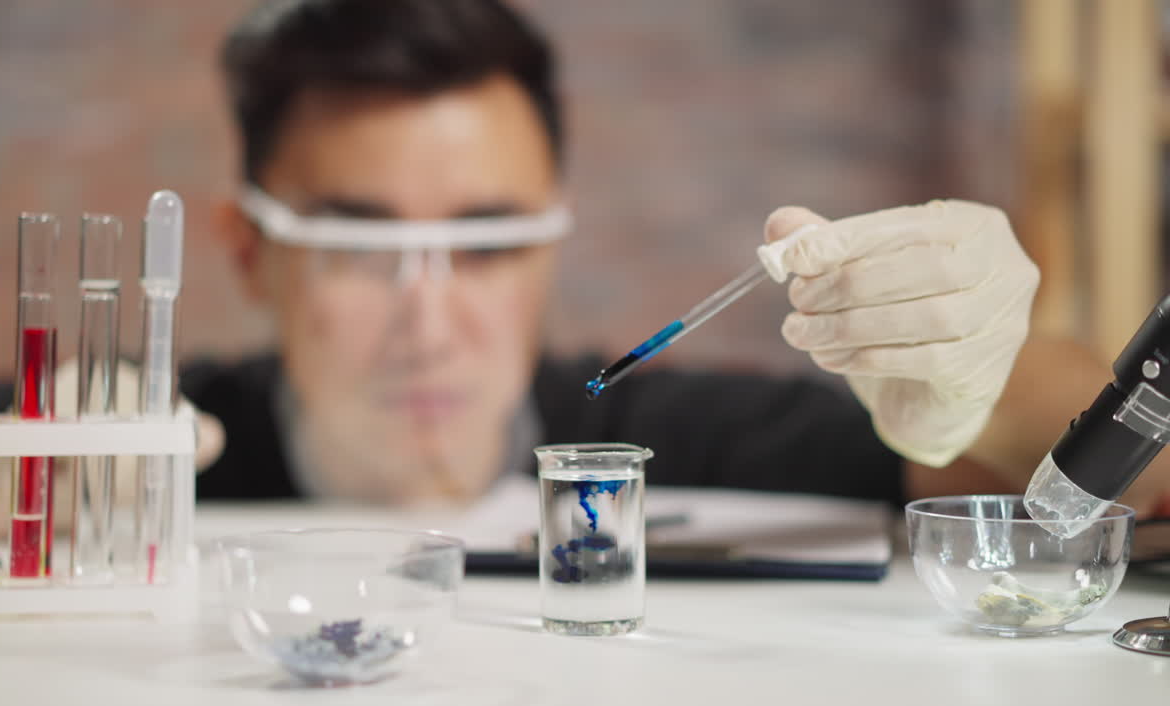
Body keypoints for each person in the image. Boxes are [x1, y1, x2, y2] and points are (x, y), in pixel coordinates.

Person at [182, 0, 1169, 516]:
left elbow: (1140, 486)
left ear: (548, 240)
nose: (428, 323)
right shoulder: (141, 448)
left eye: (485, 244)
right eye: (362, 247)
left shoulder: (669, 444)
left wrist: (984, 379)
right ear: (248, 250)